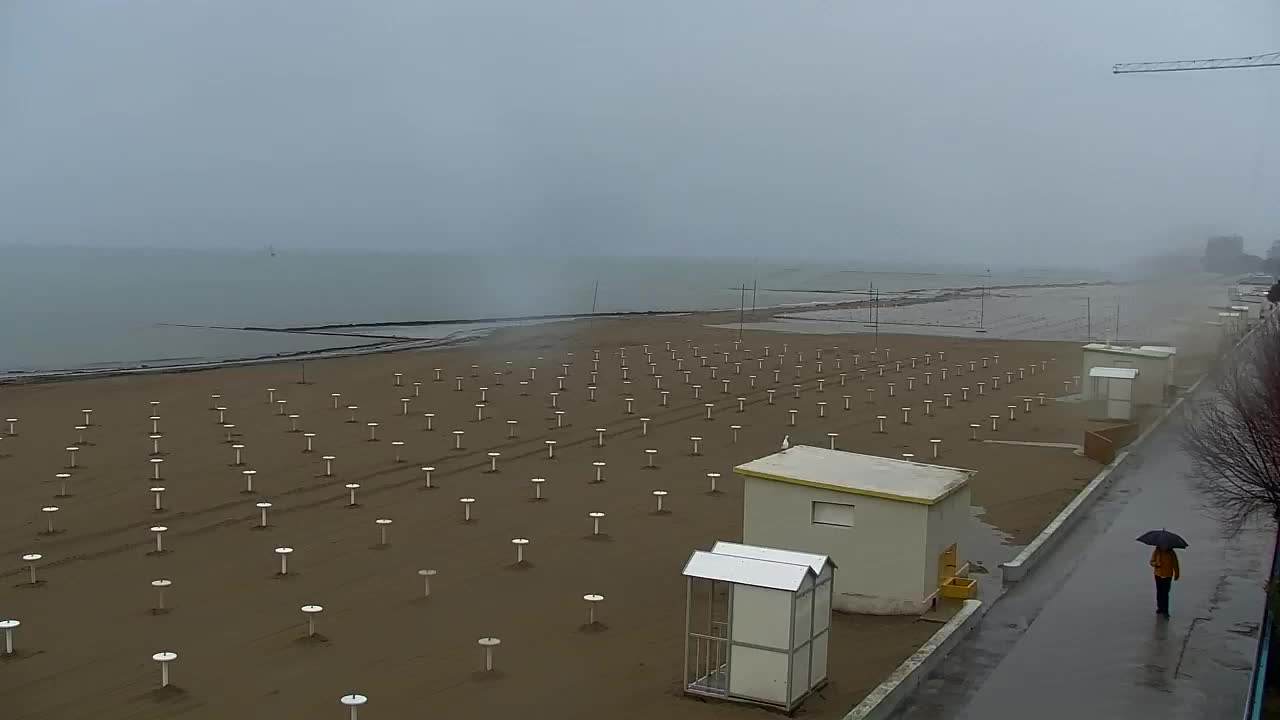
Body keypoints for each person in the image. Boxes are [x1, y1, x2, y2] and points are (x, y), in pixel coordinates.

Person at [1150, 546, 1181, 616]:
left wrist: (1177, 574)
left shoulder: (1171, 553)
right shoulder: (1156, 551)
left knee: (1165, 593)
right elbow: (1151, 561)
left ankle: (1165, 610)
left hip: (1168, 575)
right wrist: (1156, 564)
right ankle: (1160, 607)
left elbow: (1175, 564)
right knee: (1159, 592)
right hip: (1158, 575)